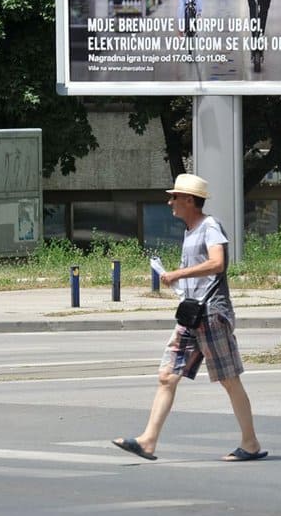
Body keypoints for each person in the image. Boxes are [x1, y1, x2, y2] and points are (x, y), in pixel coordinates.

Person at [112, 174, 267, 463]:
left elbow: (217, 263)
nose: (170, 202)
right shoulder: (190, 230)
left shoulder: (210, 226)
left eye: (175, 197)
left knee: (229, 379)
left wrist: (179, 274)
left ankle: (251, 443)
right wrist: (180, 284)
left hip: (211, 313)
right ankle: (148, 441)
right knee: (166, 376)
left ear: (189, 200)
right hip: (191, 312)